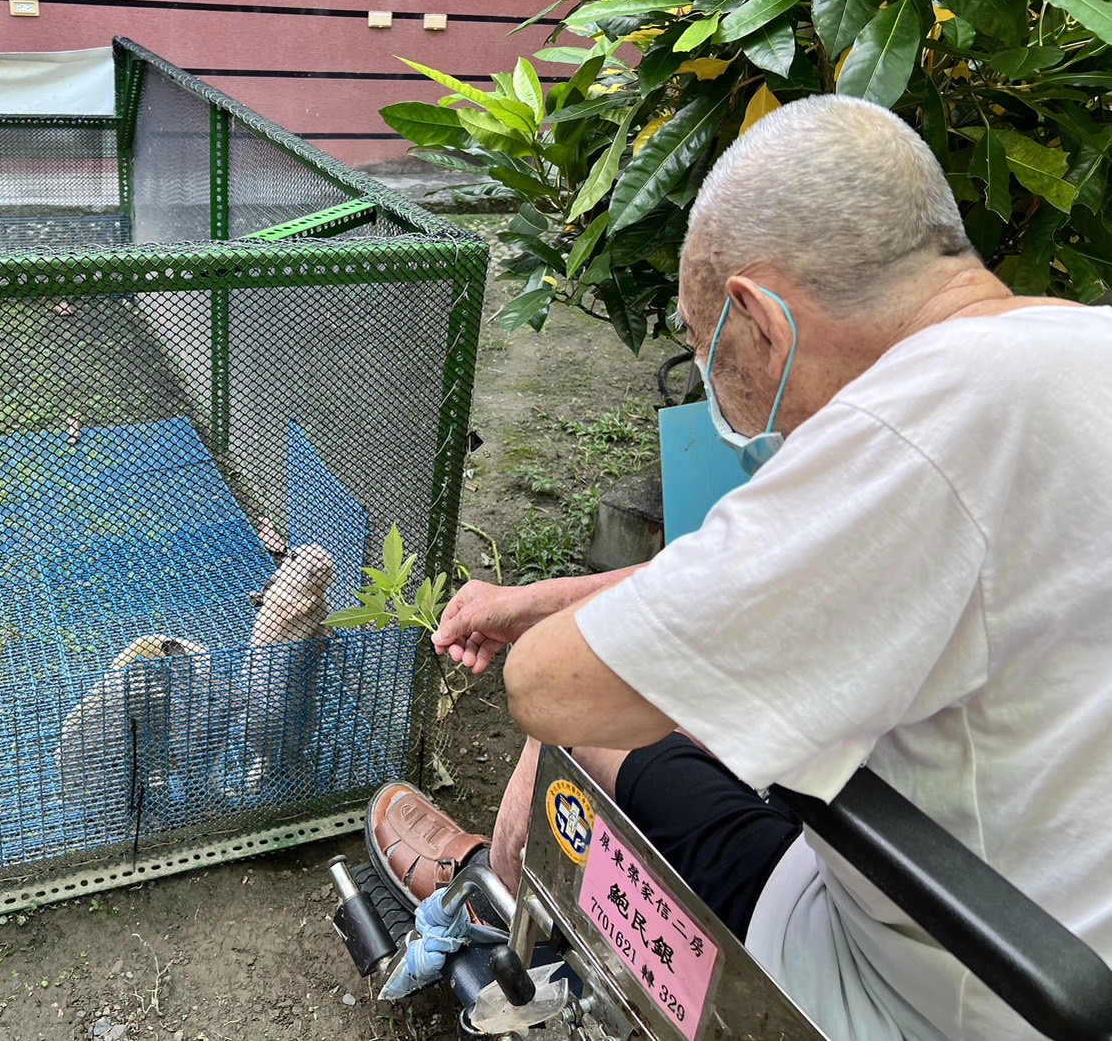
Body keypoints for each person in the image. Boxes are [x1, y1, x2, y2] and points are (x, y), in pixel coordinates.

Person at [366, 94, 1112, 1041]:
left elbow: (554, 684)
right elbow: (745, 582)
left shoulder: (906, 428)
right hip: (1057, 928)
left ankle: (493, 909)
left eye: (708, 354)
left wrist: (543, 633)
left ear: (759, 318)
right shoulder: (1065, 353)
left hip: (928, 993)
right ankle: (503, 897)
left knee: (581, 735)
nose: (727, 404)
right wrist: (541, 598)